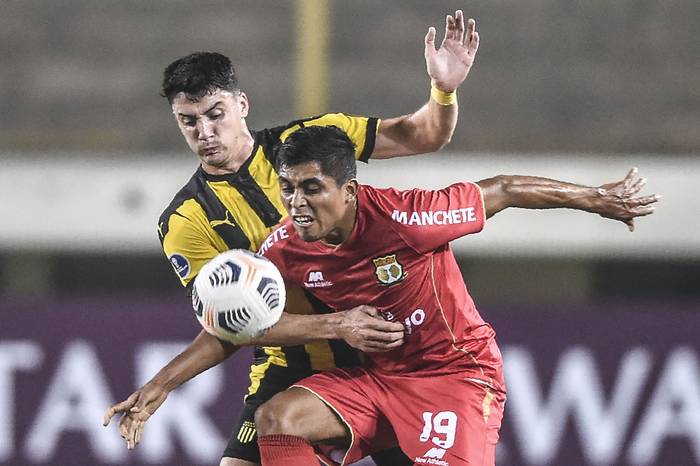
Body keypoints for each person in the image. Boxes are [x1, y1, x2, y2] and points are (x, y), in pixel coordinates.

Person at [104, 9, 481, 466]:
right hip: (288, 370)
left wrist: (443, 90)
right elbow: (228, 327)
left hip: (384, 359)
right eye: (188, 121)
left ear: (241, 104)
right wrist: (158, 385)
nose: (205, 132)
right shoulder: (186, 220)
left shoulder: (310, 141)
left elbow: (421, 135)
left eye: (214, 114)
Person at [250, 125, 659, 466]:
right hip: (379, 380)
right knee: (277, 419)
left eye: (312, 188)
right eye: (287, 188)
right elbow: (254, 323)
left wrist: (595, 199)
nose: (296, 203)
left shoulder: (408, 218)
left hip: (456, 376)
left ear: (350, 191)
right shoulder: (285, 246)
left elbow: (505, 188)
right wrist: (337, 324)